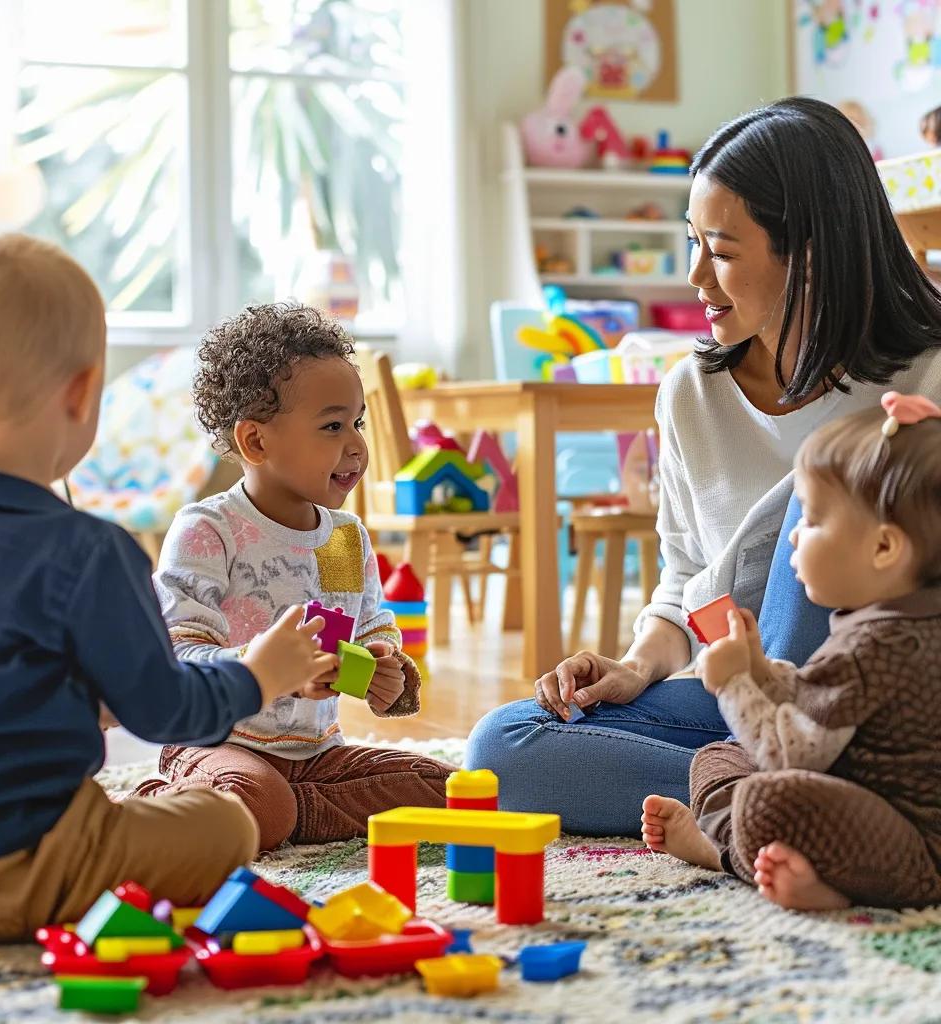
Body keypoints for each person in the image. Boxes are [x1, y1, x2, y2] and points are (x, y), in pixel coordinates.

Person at [466, 97, 941, 835]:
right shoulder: (693, 391)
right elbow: (685, 577)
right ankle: (800, 800)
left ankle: (798, 790)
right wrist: (638, 664)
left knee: (820, 498)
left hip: (890, 701)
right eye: (693, 242)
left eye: (720, 251)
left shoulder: (927, 377)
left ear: (809, 253)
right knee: (504, 747)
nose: (696, 276)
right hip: (744, 698)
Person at [0, 231, 337, 944]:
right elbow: (168, 711)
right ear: (82, 392)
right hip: (27, 861)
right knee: (224, 823)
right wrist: (259, 675)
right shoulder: (88, 551)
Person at [133, 303, 452, 846]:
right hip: (217, 743)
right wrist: (273, 671)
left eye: (357, 422)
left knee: (447, 788)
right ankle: (173, 805)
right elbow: (178, 657)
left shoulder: (343, 535)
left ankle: (282, 816)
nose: (356, 444)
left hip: (316, 755)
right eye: (332, 426)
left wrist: (383, 669)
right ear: (255, 442)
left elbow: (370, 623)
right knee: (256, 796)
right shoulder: (210, 530)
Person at [641, 392, 941, 910]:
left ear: (884, 548)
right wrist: (759, 669)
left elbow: (785, 757)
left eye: (814, 520)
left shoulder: (874, 642)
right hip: (878, 817)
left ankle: (724, 853)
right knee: (720, 755)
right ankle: (758, 852)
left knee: (765, 795)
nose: (794, 537)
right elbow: (818, 703)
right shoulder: (899, 619)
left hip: (912, 854)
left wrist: (734, 685)